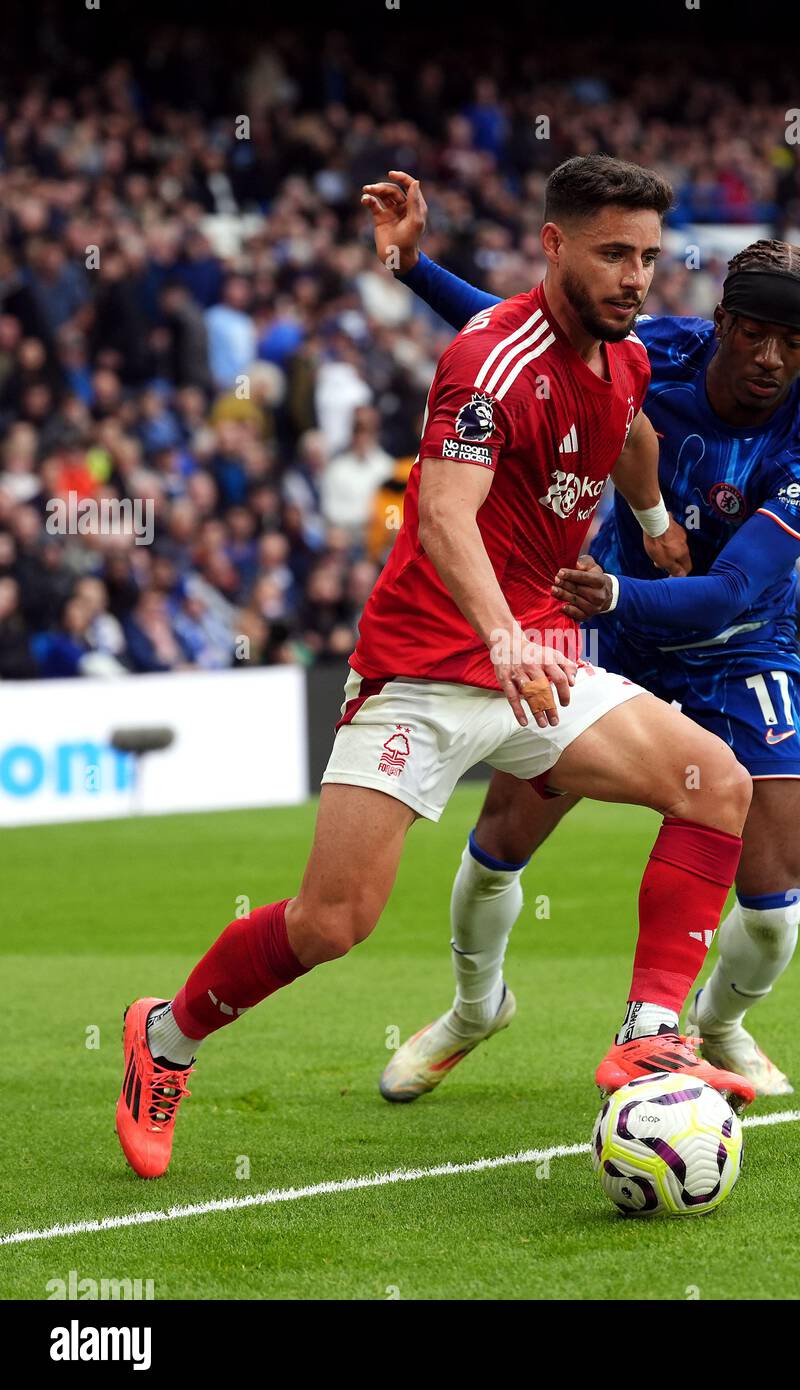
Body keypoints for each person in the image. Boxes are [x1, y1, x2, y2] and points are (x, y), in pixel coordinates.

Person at [116, 156, 756, 1181]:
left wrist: (650, 520)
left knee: (714, 784)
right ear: (553, 246)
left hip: (537, 657)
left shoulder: (624, 354)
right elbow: (447, 514)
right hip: (426, 662)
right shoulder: (487, 359)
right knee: (334, 921)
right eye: (612, 254)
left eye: (645, 255)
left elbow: (631, 432)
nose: (635, 276)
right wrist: (499, 630)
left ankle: (647, 1030)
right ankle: (165, 1036)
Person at [363, 171, 800, 1102]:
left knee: (777, 906)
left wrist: (612, 595)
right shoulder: (649, 348)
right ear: (721, 322)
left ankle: (716, 1024)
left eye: (793, 343)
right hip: (615, 643)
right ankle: (473, 1008)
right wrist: (412, 267)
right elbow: (511, 329)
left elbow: (729, 592)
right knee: (502, 834)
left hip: (738, 651)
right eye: (754, 333)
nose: (768, 357)